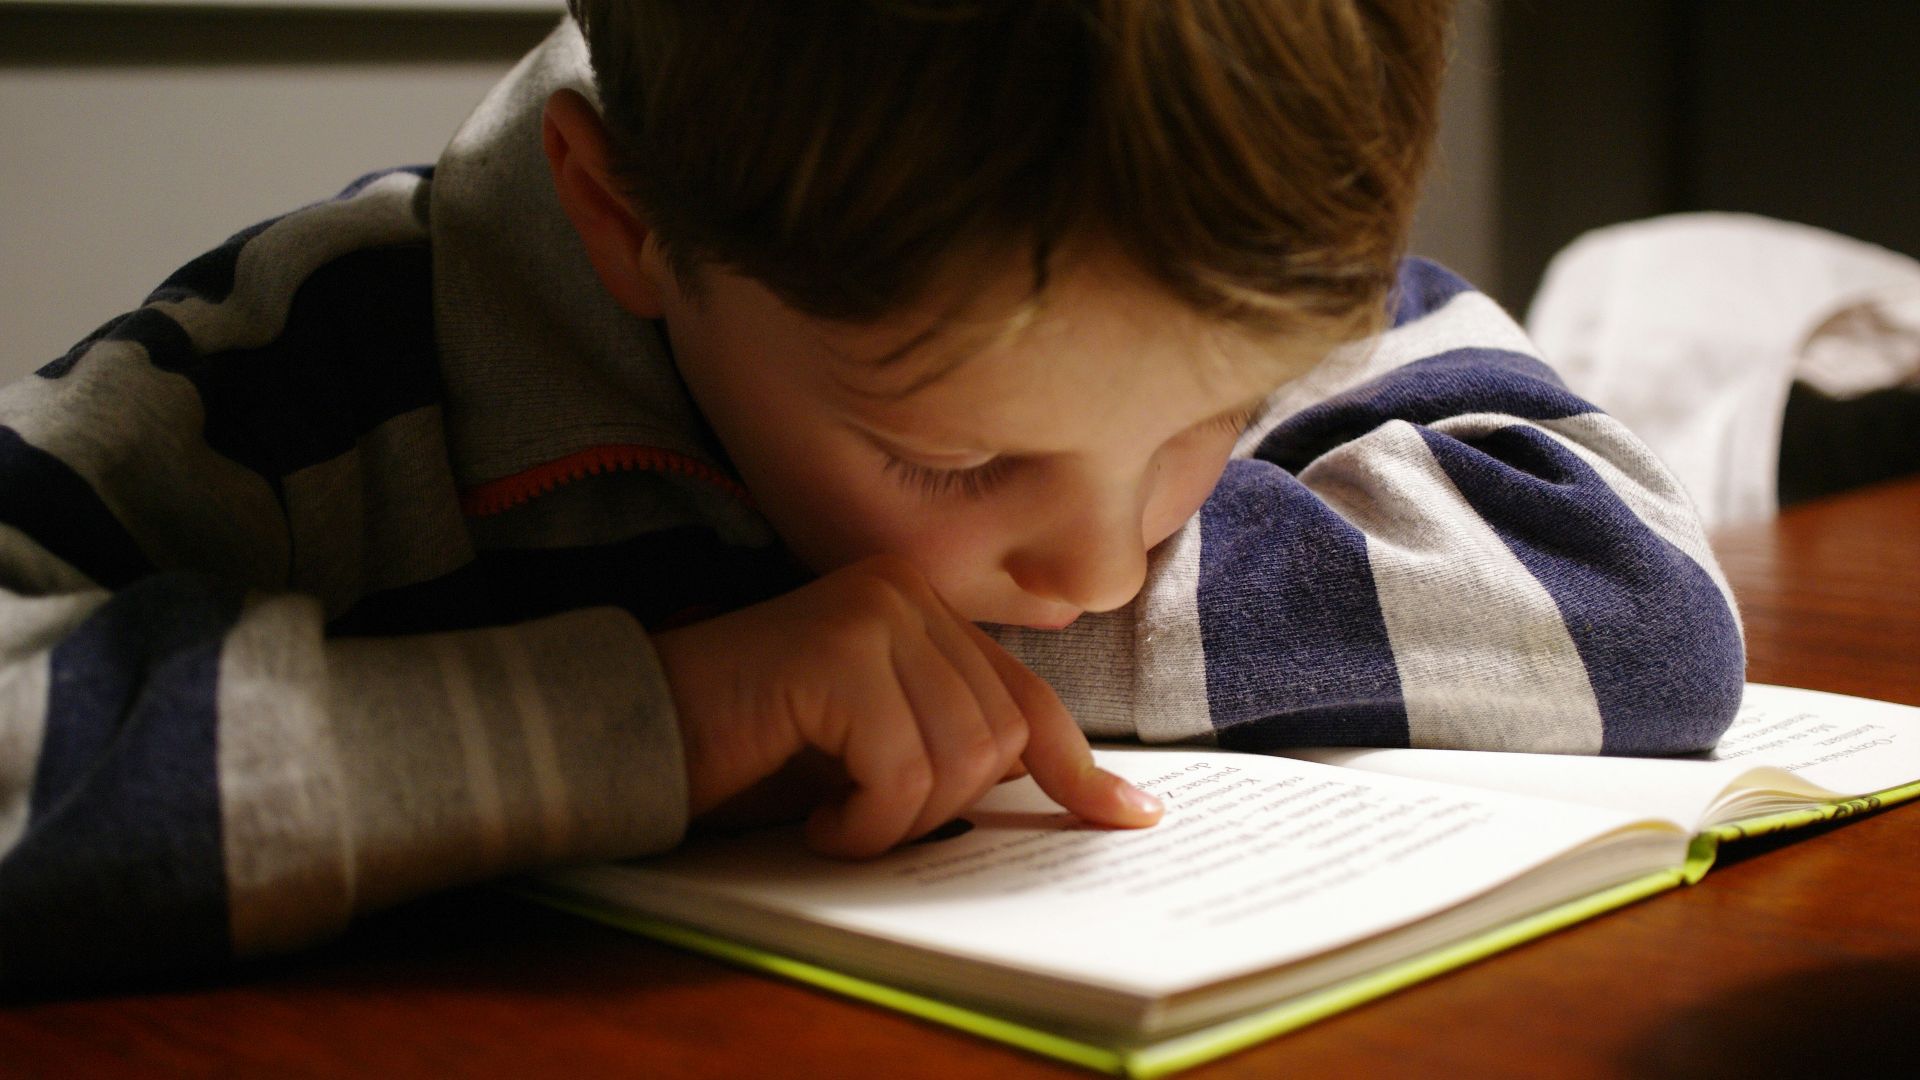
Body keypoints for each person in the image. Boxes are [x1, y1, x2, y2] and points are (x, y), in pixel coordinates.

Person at [0, 1, 1743, 991]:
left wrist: (941, 673)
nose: (1095, 562)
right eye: (961, 459)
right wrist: (655, 709)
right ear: (628, 226)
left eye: (1212, 419)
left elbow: (1640, 600)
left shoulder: (1194, 236)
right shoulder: (297, 369)